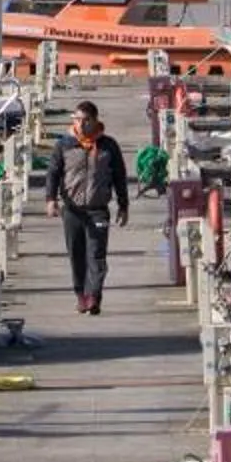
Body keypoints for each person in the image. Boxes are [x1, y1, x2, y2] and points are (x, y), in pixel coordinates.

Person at [47, 100, 131, 314]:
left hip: (98, 208)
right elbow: (53, 173)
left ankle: (94, 296)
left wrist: (123, 205)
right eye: (77, 119)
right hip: (72, 210)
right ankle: (81, 295)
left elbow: (120, 176)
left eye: (86, 120)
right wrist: (51, 199)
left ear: (95, 120)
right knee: (76, 255)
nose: (81, 124)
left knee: (97, 255)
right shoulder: (64, 145)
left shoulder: (108, 146)